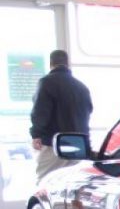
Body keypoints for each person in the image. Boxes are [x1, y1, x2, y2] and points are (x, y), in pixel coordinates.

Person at [30, 50, 93, 183]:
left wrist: (36, 134)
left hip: (53, 145)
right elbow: (88, 112)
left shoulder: (46, 82)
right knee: (72, 186)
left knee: (44, 184)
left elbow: (40, 111)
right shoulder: (82, 87)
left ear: (51, 64)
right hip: (78, 146)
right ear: (67, 63)